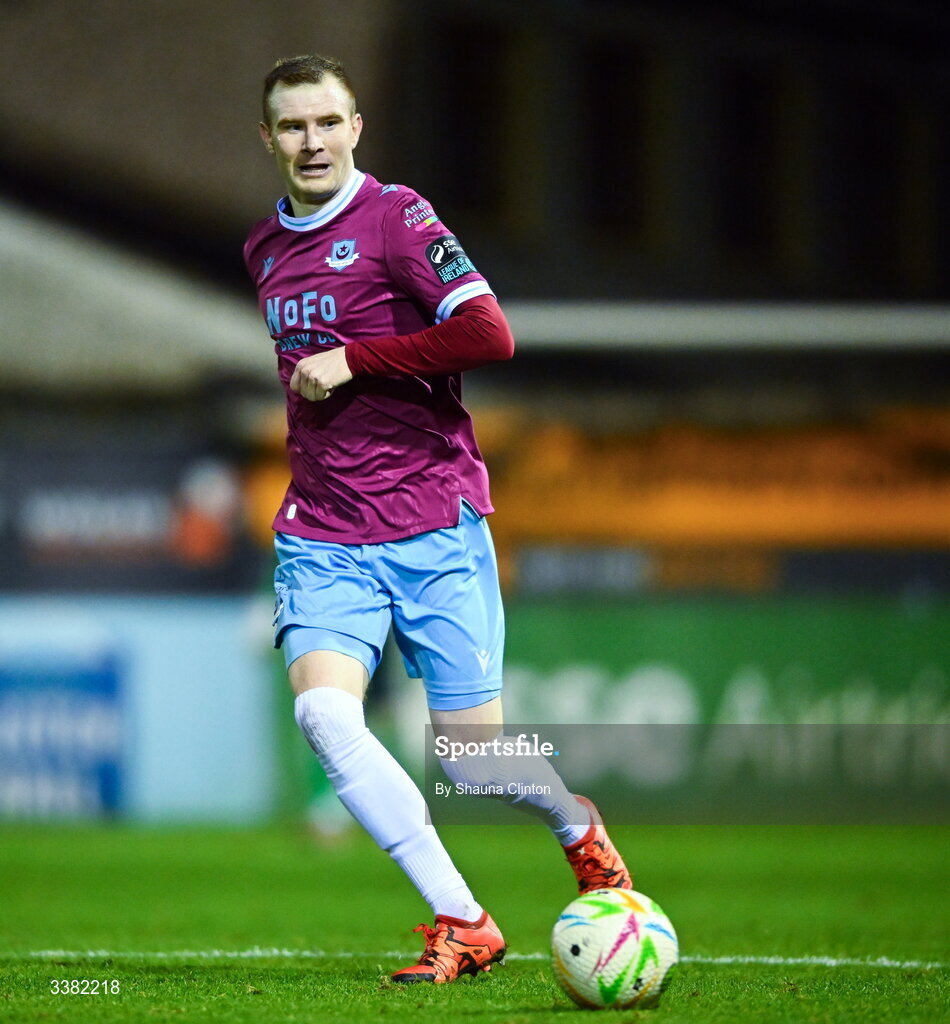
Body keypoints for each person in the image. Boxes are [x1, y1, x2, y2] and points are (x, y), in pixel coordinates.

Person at [245, 54, 632, 985]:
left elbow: (489, 332)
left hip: (432, 522)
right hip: (325, 531)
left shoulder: (398, 217)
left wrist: (357, 359)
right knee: (324, 715)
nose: (311, 141)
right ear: (268, 139)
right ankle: (463, 920)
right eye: (292, 127)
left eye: (326, 122)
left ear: (355, 127)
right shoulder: (262, 247)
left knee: (474, 760)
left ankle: (576, 824)